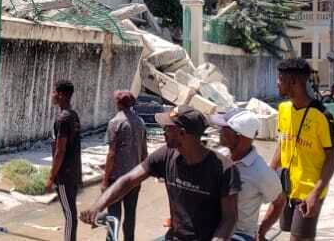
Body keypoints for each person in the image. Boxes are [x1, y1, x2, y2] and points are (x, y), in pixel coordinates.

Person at [81, 105, 239, 241]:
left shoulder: (224, 169)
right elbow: (128, 180)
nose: (163, 132)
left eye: (168, 128)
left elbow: (229, 219)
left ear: (182, 134)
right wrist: (99, 205)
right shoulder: (166, 155)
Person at [260, 59, 334, 241]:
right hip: (286, 186)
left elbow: (332, 157)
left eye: (280, 79)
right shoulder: (283, 109)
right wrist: (269, 173)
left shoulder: (322, 116)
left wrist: (315, 194)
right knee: (275, 228)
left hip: (309, 190)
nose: (277, 83)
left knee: (299, 237)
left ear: (294, 81)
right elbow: (282, 143)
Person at [212, 109, 282, 241]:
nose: (219, 131)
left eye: (224, 128)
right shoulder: (220, 157)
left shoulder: (261, 172)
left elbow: (279, 202)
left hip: (239, 235)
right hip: (214, 228)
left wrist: (262, 232)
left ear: (238, 136)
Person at [102, 91, 148, 241]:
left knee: (113, 216)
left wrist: (105, 180)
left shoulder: (115, 122)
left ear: (118, 103)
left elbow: (112, 154)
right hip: (135, 177)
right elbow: (144, 153)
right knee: (130, 216)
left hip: (117, 178)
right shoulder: (140, 122)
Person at [47, 80, 82, 241]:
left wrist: (51, 177)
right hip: (73, 172)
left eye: (54, 92)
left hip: (65, 175)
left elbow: (60, 151)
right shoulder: (73, 116)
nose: (52, 95)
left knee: (69, 215)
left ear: (61, 95)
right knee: (71, 213)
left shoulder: (62, 119)